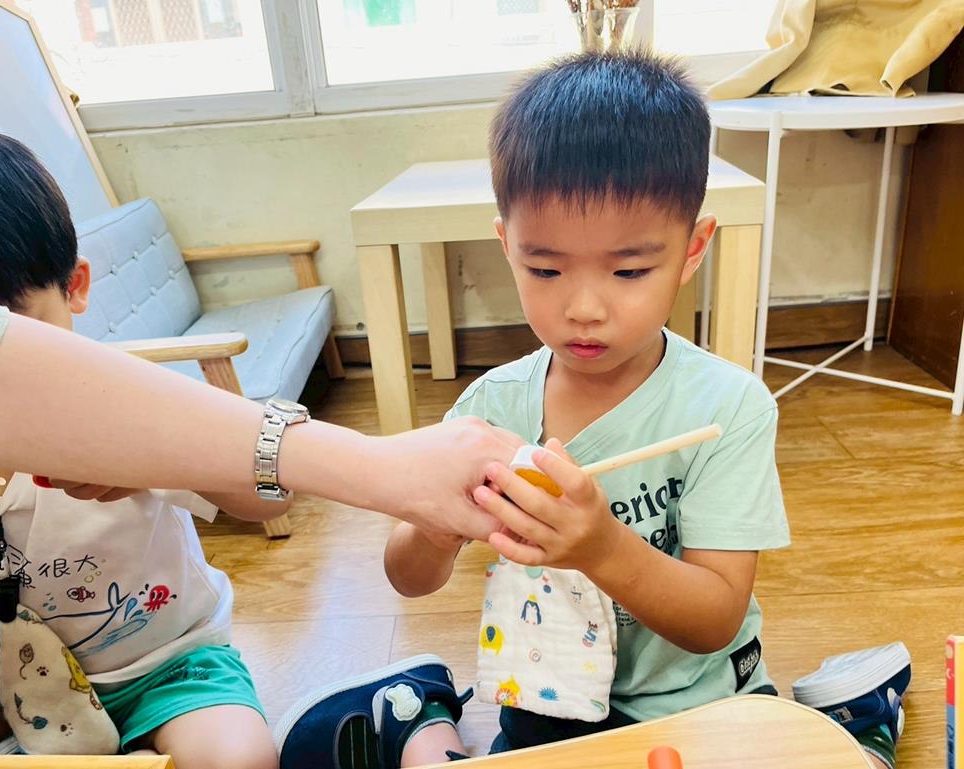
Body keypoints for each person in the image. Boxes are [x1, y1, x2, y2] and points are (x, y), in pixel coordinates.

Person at [274, 51, 908, 769]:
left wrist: (601, 547)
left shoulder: (727, 407)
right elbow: (407, 577)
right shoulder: (492, 408)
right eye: (544, 268)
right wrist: (439, 524)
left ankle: (862, 719)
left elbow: (715, 619)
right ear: (507, 245)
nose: (583, 307)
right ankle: (419, 717)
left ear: (693, 248)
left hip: (699, 704)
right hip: (546, 706)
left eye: (629, 270)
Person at [0, 125, 521, 761]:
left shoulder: (130, 412)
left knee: (242, 758)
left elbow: (268, 502)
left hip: (169, 668)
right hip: (11, 670)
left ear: (75, 287)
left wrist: (161, 464)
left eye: (15, 335)